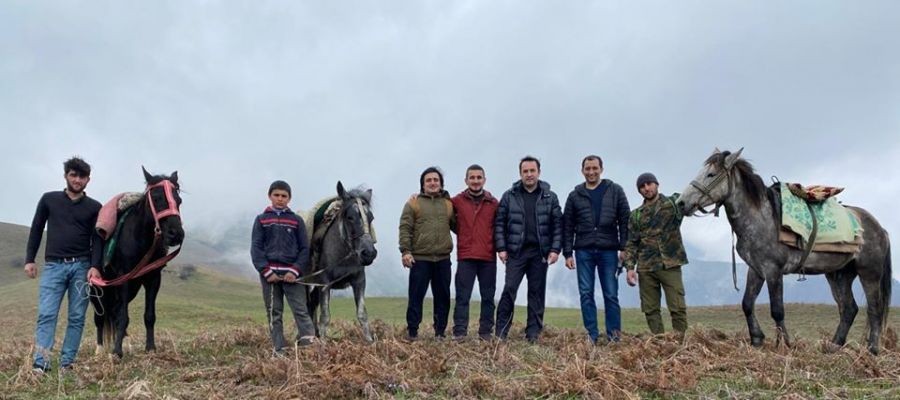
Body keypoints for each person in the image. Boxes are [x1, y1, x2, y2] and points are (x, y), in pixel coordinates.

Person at [24, 157, 103, 374]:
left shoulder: (95, 207)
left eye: (82, 177)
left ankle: (67, 363)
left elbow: (97, 239)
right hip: (53, 267)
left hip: (82, 267)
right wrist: (30, 259)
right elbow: (37, 229)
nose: (77, 180)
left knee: (77, 317)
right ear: (66, 175)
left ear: (88, 180)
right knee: (47, 314)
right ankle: (41, 363)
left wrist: (95, 266)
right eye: (73, 175)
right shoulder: (49, 200)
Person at [562, 155, 631, 344]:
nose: (591, 172)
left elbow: (625, 220)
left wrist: (624, 247)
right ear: (582, 170)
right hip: (583, 250)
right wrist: (567, 253)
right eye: (587, 168)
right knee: (586, 293)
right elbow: (567, 225)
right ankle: (591, 335)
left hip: (609, 250)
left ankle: (614, 336)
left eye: (595, 168)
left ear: (601, 169)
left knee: (610, 294)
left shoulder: (615, 191)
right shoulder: (574, 195)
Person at [494, 156, 563, 343]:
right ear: (520, 174)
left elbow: (558, 226)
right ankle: (500, 333)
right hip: (516, 252)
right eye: (525, 171)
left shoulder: (550, 197)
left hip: (540, 254)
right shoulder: (509, 196)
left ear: (539, 172)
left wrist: (556, 249)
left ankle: (533, 334)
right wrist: (501, 247)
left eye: (532, 171)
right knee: (509, 290)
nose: (529, 174)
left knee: (536, 293)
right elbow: (499, 223)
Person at [250, 180, 315, 355]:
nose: (280, 199)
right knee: (274, 313)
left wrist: (295, 271)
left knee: (301, 311)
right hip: (270, 276)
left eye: (284, 196)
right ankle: (279, 349)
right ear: (270, 196)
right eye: (276, 195)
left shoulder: (296, 221)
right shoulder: (261, 220)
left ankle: (309, 348)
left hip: (292, 276)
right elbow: (256, 248)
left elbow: (304, 249)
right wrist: (266, 271)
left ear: (289, 198)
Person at [622, 173, 689, 336]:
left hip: (670, 263)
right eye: (642, 187)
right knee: (650, 309)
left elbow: (695, 201)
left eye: (649, 184)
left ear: (657, 184)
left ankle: (679, 342)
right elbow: (631, 243)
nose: (646, 188)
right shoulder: (636, 215)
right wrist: (629, 268)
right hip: (646, 267)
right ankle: (659, 342)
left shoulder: (674, 203)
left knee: (677, 306)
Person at [399, 167, 456, 340]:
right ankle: (412, 332)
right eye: (429, 180)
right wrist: (405, 251)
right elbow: (405, 228)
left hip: (443, 259)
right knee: (416, 297)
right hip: (420, 259)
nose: (433, 183)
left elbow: (458, 226)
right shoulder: (413, 203)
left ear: (441, 183)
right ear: (423, 185)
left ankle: (440, 332)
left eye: (436, 180)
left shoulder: (448, 204)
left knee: (443, 298)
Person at [450, 165, 499, 340]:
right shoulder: (456, 201)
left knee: (488, 298)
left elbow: (499, 227)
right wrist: (417, 195)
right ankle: (460, 332)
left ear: (484, 180)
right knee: (462, 297)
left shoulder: (494, 203)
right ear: (466, 180)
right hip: (466, 256)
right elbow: (440, 205)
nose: (476, 181)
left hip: (488, 257)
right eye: (472, 177)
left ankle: (485, 333)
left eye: (479, 177)